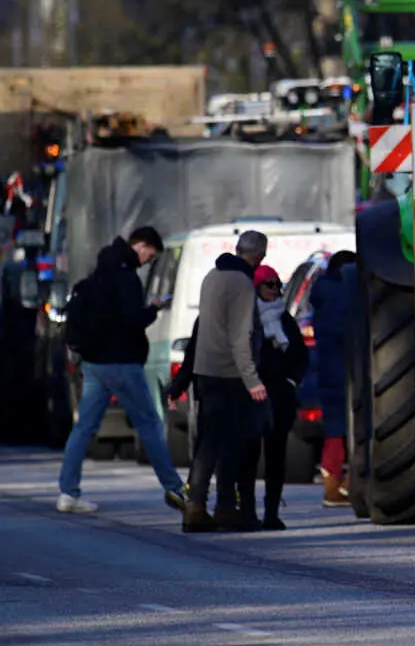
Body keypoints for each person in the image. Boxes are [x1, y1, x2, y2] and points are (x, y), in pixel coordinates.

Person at [56, 228, 186, 514]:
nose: (147, 261)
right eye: (149, 256)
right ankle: (175, 488)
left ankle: (68, 492)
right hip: (122, 363)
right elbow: (131, 321)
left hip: (94, 364)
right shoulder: (126, 279)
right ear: (140, 246)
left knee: (84, 428)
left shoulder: (101, 271)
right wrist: (152, 308)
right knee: (150, 424)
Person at [183, 231, 268, 533]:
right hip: (232, 374)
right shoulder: (243, 284)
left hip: (205, 372)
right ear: (260, 255)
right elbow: (240, 336)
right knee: (232, 444)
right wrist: (252, 380)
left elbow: (205, 327)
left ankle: (194, 505)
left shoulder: (211, 277)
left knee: (206, 443)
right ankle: (225, 507)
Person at [241, 264, 307, 530]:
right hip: (253, 394)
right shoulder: (248, 318)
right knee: (249, 454)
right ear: (257, 288)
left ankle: (271, 511)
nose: (274, 291)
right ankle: (247, 511)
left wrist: (291, 381)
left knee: (276, 456)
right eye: (269, 285)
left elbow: (301, 355)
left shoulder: (284, 319)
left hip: (279, 396)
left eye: (277, 285)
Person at [310, 251, 355, 507]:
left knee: (334, 430)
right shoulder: (343, 295)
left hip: (327, 369)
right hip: (345, 370)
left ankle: (333, 486)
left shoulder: (322, 294)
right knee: (350, 428)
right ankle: (345, 486)